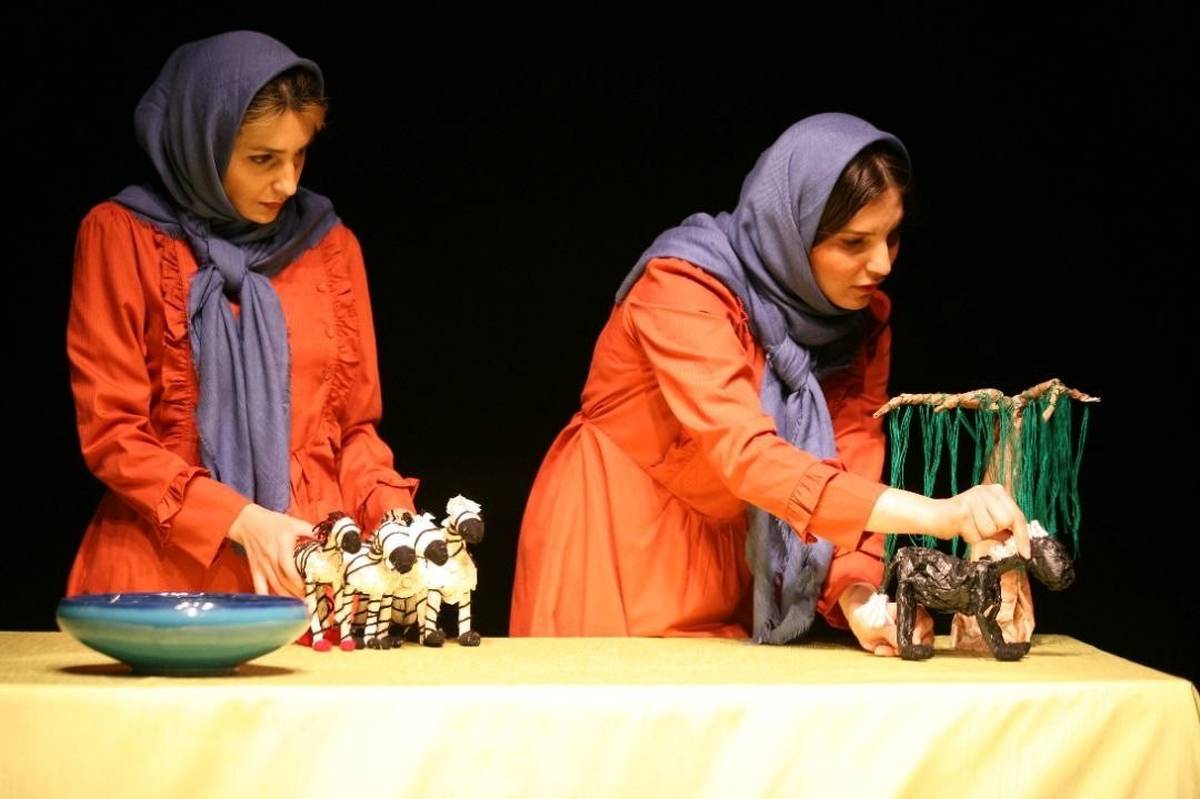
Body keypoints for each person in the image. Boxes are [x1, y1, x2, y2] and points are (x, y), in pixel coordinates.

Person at [509, 112, 1030, 655]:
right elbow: (749, 455)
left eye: (892, 237)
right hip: (612, 538)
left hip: (730, 556)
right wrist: (941, 514)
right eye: (854, 242)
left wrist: (860, 598)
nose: (881, 263)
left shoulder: (859, 324)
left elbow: (849, 462)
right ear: (791, 232)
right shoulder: (683, 288)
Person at [66, 31, 418, 599]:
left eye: (299, 154)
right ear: (201, 144)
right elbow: (113, 434)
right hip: (166, 573)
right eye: (262, 159)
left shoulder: (330, 246)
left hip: (311, 569)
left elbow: (354, 431)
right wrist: (241, 519)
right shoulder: (122, 237)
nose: (288, 182)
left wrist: (397, 518)